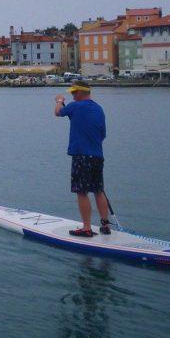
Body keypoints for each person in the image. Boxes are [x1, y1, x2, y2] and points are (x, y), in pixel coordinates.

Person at [54, 81, 109, 237]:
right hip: (98, 156)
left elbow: (58, 112)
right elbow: (102, 134)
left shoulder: (75, 106)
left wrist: (59, 101)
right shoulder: (99, 109)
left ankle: (86, 228)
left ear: (79, 93)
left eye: (73, 92)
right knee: (98, 190)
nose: (72, 95)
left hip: (81, 156)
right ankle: (105, 225)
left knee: (82, 191)